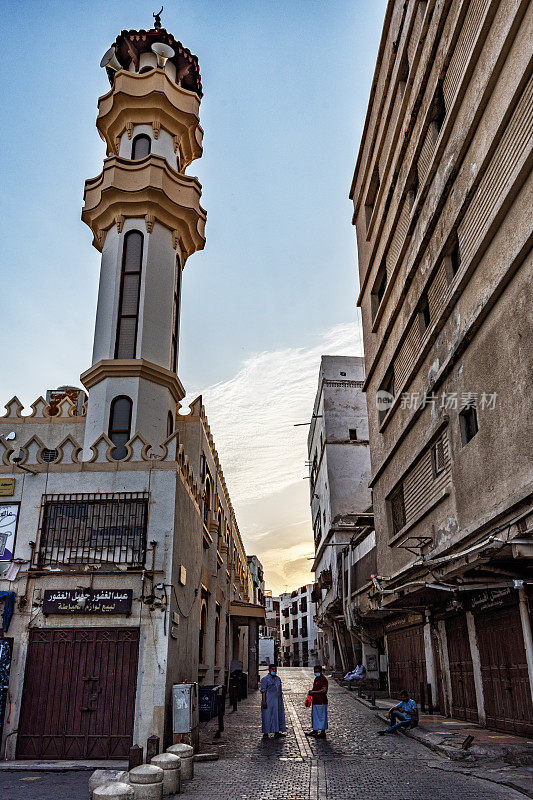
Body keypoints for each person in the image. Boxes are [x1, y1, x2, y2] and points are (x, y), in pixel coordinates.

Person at [260, 664, 286, 739]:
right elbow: (263, 691)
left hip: (277, 701)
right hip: (269, 700)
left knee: (277, 715)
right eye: (272, 669)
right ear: (269, 670)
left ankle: (277, 731)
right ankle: (266, 732)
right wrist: (264, 701)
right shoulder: (265, 679)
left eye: (275, 669)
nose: (274, 671)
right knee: (267, 716)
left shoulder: (278, 679)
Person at [306, 664, 328, 738]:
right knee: (315, 716)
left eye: (317, 671)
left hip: (321, 701)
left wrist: (314, 692)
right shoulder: (316, 679)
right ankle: (315, 730)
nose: (316, 673)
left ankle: (322, 732)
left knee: (321, 716)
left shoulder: (323, 679)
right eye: (315, 671)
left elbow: (324, 690)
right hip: (315, 701)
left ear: (321, 671)